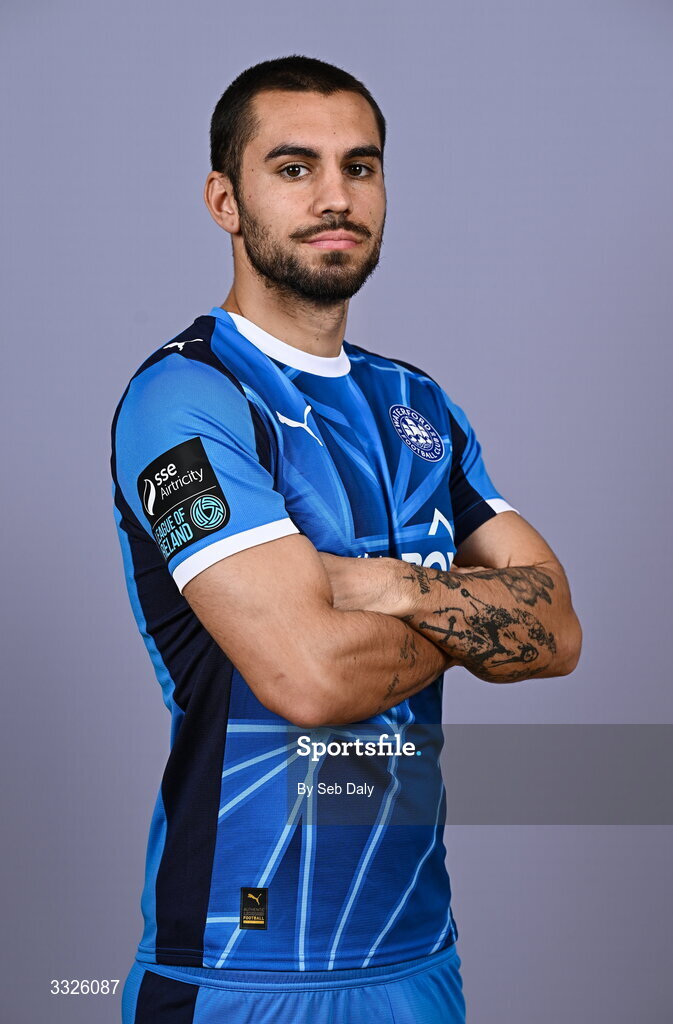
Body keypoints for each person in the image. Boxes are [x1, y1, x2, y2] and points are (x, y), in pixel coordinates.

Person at [112, 55, 582, 1024]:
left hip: (418, 956)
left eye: (359, 167)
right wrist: (460, 602)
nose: (335, 195)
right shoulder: (187, 397)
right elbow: (310, 680)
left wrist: (379, 586)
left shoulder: (417, 404)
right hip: (240, 972)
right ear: (224, 199)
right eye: (293, 167)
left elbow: (559, 633)